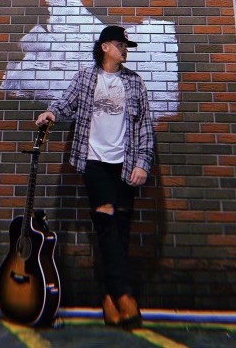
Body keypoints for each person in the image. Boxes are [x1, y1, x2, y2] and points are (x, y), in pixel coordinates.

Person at [35, 25, 155, 330]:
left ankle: (108, 299)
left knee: (120, 232)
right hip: (94, 163)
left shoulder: (134, 82)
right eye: (120, 44)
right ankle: (124, 294)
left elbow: (144, 126)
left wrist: (142, 163)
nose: (125, 50)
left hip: (125, 165)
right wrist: (51, 113)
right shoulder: (86, 78)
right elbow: (66, 103)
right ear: (105, 47)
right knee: (106, 224)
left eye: (126, 46)